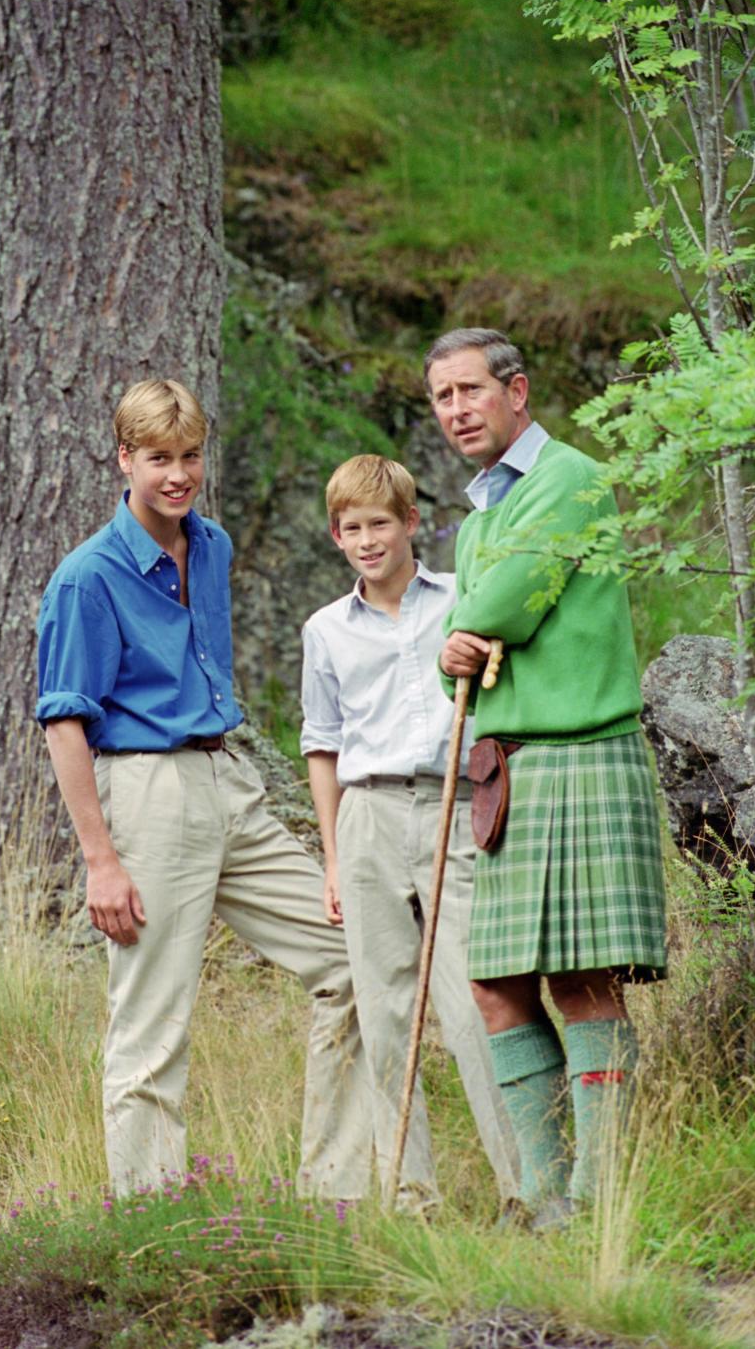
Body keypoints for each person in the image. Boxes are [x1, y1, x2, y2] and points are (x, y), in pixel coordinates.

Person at [36, 377, 371, 1199]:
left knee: (352, 959)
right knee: (151, 1026)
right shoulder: (88, 578)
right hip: (148, 792)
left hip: (229, 777)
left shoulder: (210, 543)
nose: (178, 475)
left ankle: (339, 1195)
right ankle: (155, 1229)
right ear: (124, 458)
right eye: (158, 459)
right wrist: (100, 860)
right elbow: (63, 722)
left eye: (190, 456)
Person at [424, 328, 667, 1227]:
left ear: (516, 390)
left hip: (580, 752)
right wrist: (456, 641)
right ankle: (546, 1204)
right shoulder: (484, 512)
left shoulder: (572, 477)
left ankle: (601, 1200)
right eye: (442, 397)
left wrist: (467, 632)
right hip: (510, 770)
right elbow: (449, 652)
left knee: (583, 980)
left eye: (471, 391)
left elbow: (503, 609)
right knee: (497, 985)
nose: (456, 411)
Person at [300, 454, 521, 1214]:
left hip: (451, 807)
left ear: (411, 523)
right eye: (352, 528)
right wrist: (333, 858)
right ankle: (409, 1195)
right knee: (386, 1012)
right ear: (337, 535)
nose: (368, 540)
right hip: (366, 816)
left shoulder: (459, 600)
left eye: (380, 524)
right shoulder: (326, 630)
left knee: (470, 1002)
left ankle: (523, 1187)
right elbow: (322, 745)